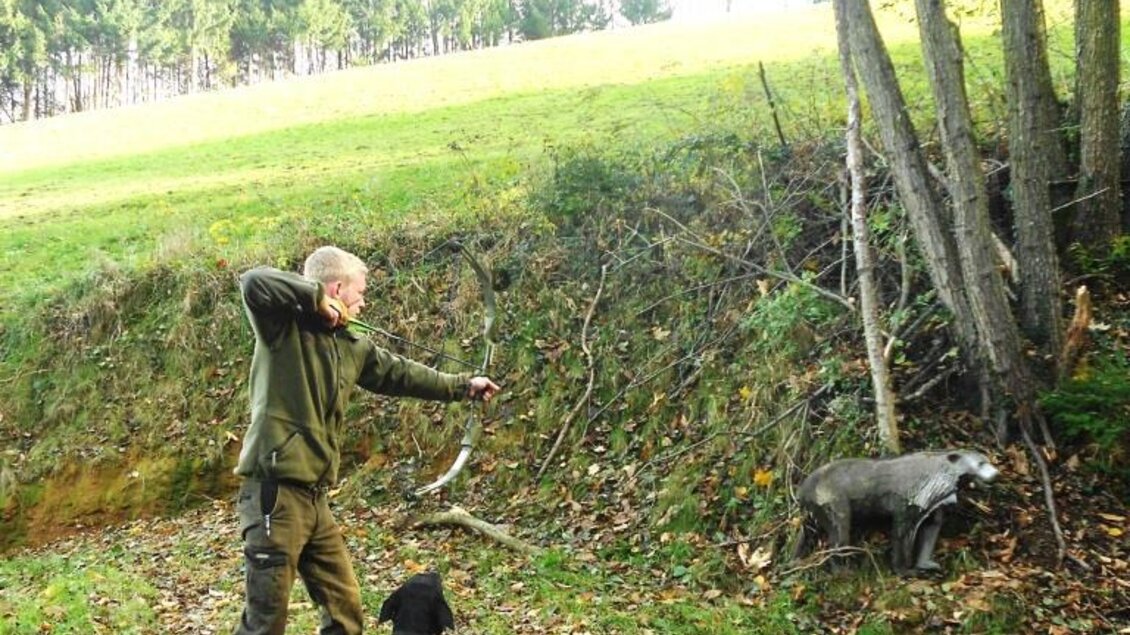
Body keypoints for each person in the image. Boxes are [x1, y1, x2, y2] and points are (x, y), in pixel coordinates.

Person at [232, 245, 500, 635]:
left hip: (314, 499)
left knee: (345, 612)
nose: (363, 302)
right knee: (265, 622)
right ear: (337, 289)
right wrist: (314, 299)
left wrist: (464, 387)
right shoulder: (282, 328)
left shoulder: (351, 346)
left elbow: (401, 374)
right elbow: (254, 281)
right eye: (359, 292)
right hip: (275, 496)